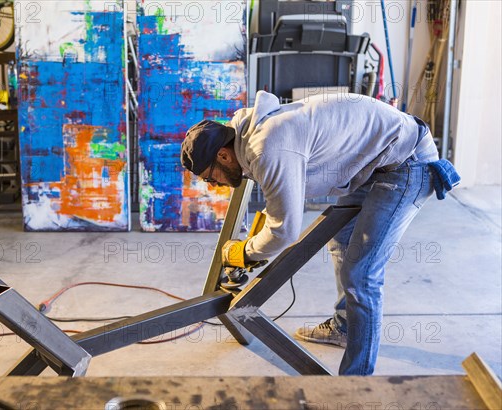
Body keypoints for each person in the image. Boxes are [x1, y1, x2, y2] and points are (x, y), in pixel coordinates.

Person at [180, 91, 460, 375]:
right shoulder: (247, 138)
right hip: (373, 164)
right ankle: (344, 327)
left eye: (208, 177)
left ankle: (356, 382)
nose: (213, 185)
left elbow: (285, 231)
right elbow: (277, 207)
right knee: (339, 239)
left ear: (223, 154)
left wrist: (247, 251)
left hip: (407, 163)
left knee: (361, 274)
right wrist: (257, 244)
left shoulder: (268, 148)